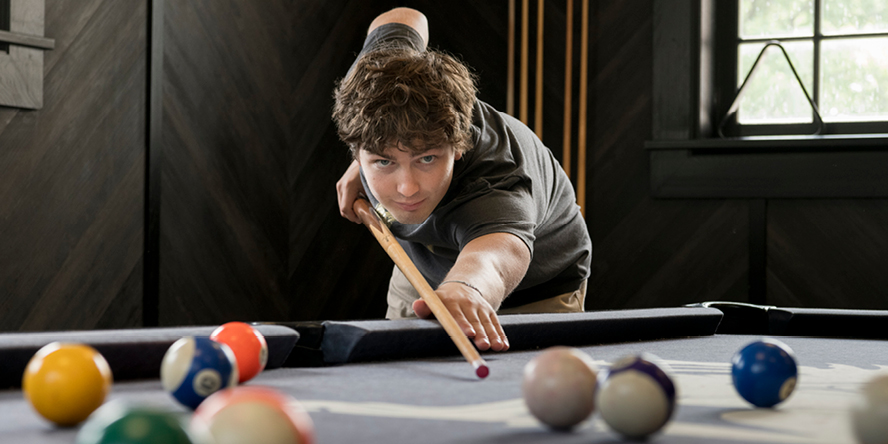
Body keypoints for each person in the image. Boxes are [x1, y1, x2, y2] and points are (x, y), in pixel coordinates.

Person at [333, 7, 592, 352]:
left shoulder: (495, 183)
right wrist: (364, 164)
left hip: (536, 289)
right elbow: (407, 16)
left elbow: (494, 259)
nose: (407, 187)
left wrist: (468, 287)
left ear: (457, 146)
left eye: (427, 158)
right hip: (421, 269)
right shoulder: (382, 77)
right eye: (385, 161)